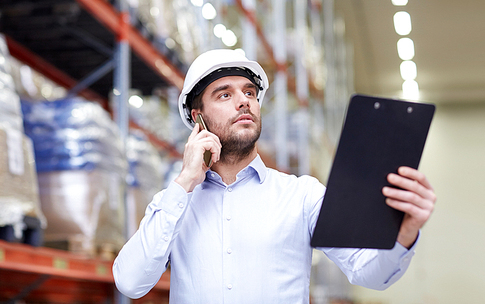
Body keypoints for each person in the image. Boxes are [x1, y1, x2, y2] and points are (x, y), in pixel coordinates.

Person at [113, 49, 436, 303]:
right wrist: (184, 182)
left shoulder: (303, 195)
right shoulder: (174, 203)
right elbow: (131, 283)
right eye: (224, 95)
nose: (243, 100)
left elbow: (370, 275)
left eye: (250, 93)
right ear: (199, 119)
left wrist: (403, 233)